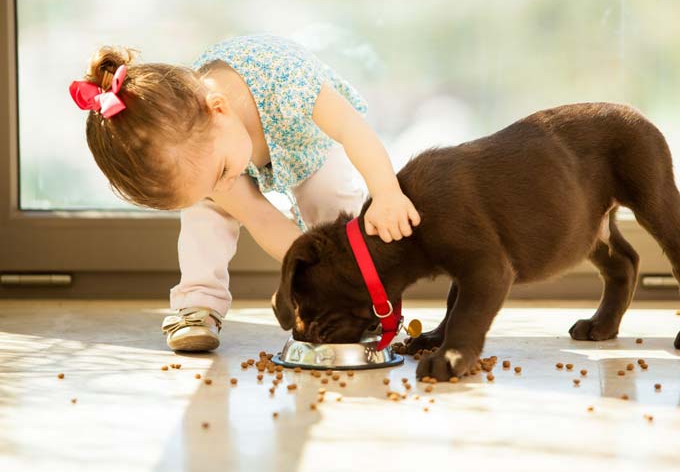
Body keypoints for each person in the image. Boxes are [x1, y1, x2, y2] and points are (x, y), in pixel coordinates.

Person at [69, 34, 420, 351]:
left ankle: (354, 296)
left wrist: (386, 191)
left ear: (219, 109)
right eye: (210, 185)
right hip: (225, 149)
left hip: (307, 141)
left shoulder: (289, 83)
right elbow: (261, 217)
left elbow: (351, 129)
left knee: (331, 197)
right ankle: (198, 303)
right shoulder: (204, 154)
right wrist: (304, 271)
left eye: (220, 174)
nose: (223, 187)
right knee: (205, 215)